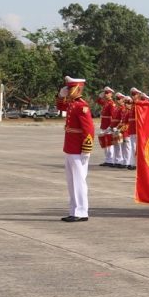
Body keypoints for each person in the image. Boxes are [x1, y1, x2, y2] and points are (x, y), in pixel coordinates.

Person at [56, 76, 94, 222]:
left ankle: (81, 212)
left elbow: (88, 129)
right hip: (70, 147)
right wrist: (60, 96)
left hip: (78, 148)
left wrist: (86, 148)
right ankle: (74, 211)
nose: (69, 90)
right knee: (72, 182)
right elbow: (60, 107)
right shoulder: (73, 104)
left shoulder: (82, 106)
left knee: (79, 181)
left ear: (78, 89)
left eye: (71, 88)